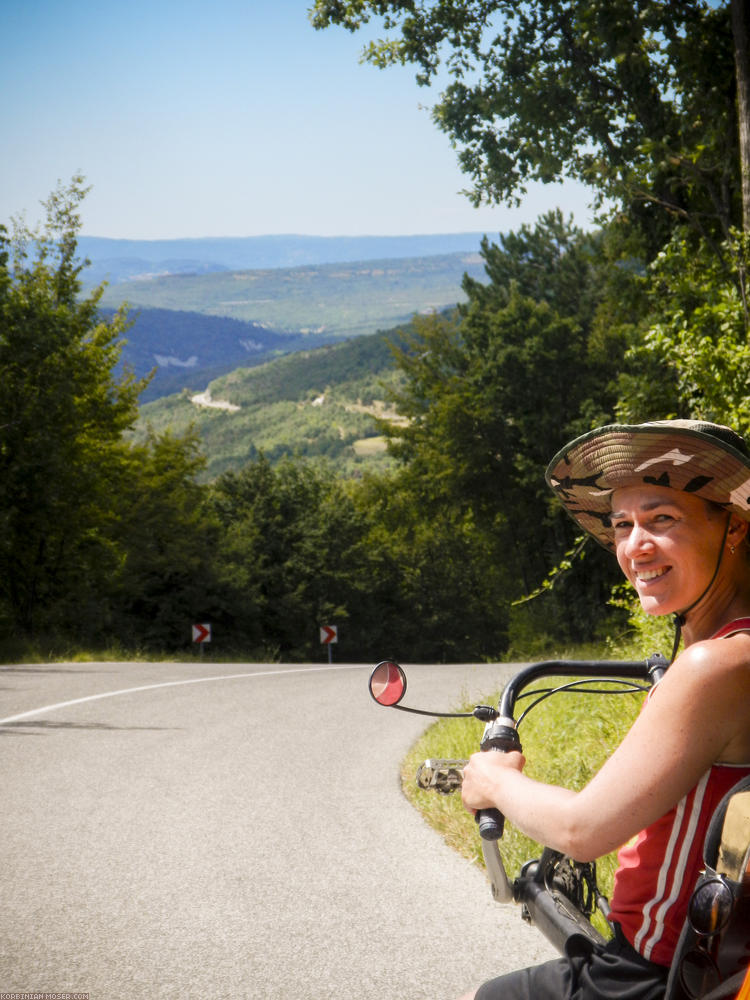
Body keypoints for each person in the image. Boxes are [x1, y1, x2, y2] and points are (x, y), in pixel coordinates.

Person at [458, 420, 750, 1000]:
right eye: (622, 524)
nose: (635, 545)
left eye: (662, 519)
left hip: (659, 970)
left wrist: (494, 781)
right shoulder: (722, 651)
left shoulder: (714, 667)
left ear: (734, 526)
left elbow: (582, 830)